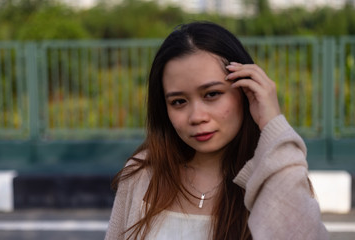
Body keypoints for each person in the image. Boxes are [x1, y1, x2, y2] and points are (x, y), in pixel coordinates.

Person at [105, 22, 329, 240]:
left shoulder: (272, 174)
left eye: (212, 94)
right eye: (179, 101)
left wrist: (272, 123)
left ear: (246, 90)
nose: (197, 117)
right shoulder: (143, 173)